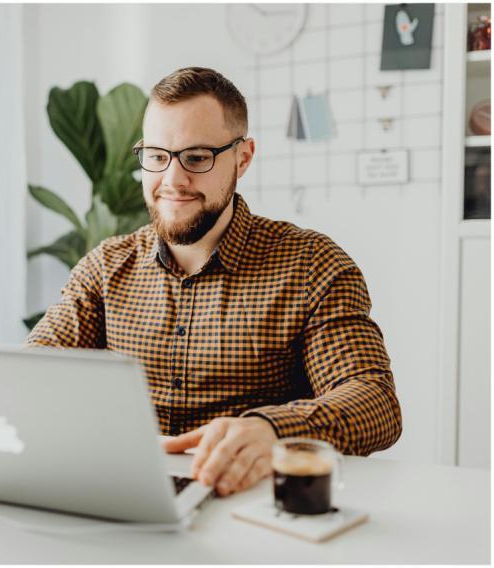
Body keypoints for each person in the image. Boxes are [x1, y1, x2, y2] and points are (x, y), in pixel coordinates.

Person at [26, 67, 401, 497]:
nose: (172, 180)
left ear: (243, 158)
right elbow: (33, 372)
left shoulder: (313, 266)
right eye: (156, 155)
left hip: (253, 508)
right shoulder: (105, 268)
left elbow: (374, 403)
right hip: (125, 500)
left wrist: (270, 429)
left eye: (197, 157)